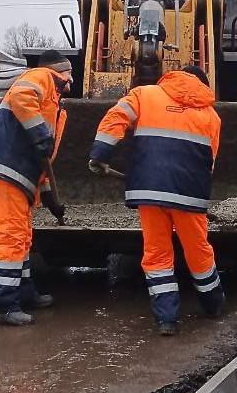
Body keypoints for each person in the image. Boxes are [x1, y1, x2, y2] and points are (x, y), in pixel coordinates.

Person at [89, 64, 223, 335]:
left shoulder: (144, 95)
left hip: (149, 190)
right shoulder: (211, 116)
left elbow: (115, 117)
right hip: (189, 194)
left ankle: (166, 320)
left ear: (173, 77)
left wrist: (100, 154)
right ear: (202, 85)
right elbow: (209, 162)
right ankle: (212, 304)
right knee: (198, 250)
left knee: (157, 253)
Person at [0, 50, 72, 326]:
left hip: (18, 174)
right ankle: (3, 304)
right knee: (11, 235)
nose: (72, 80)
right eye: (69, 74)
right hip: (5, 168)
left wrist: (49, 194)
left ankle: (24, 292)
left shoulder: (56, 106)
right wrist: (39, 132)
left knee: (22, 237)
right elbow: (20, 97)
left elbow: (44, 158)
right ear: (60, 71)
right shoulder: (41, 77)